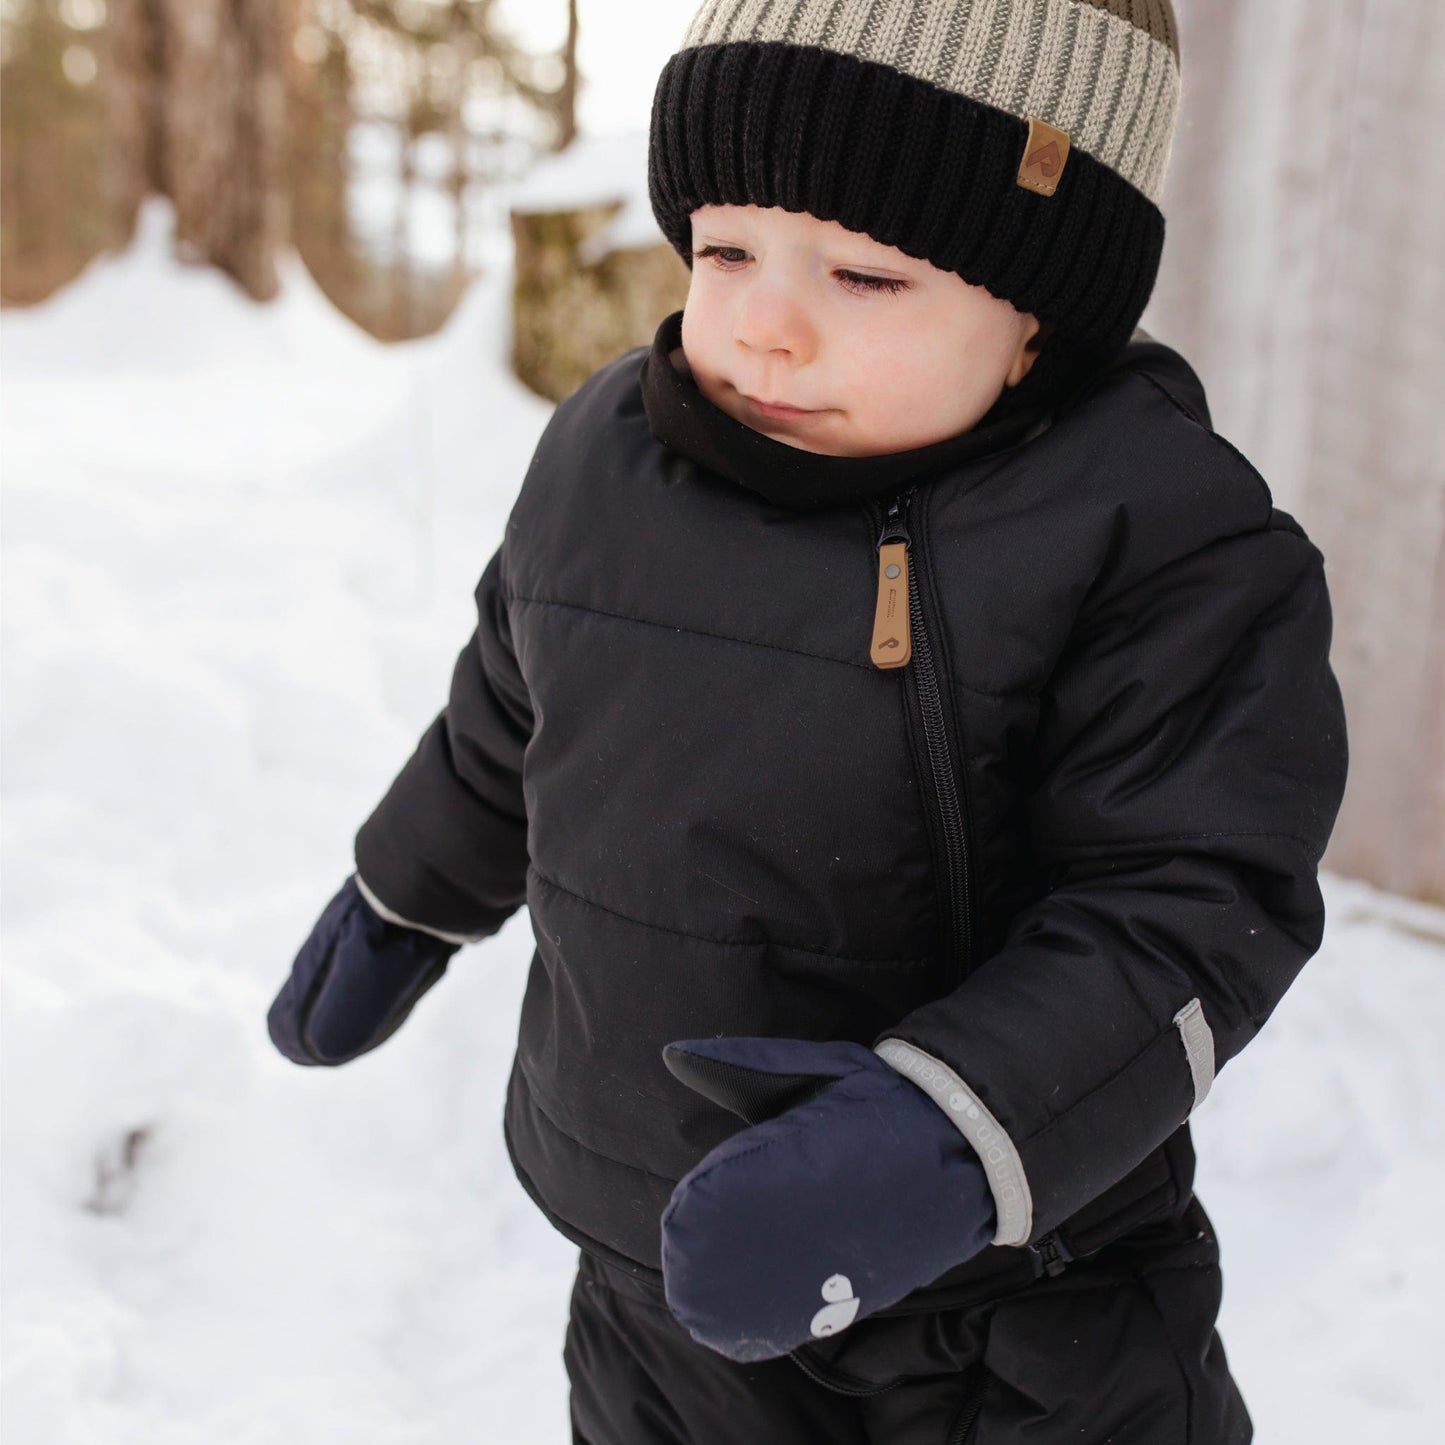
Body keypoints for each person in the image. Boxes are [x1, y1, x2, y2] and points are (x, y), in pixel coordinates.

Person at [267, 2, 1349, 1440]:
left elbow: (1189, 905)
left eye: (863, 273)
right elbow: (515, 704)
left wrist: (941, 1137)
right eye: (724, 249)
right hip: (655, 1283)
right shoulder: (607, 459)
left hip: (1006, 1313)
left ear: (1036, 314)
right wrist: (404, 891)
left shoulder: (1157, 540)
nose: (763, 322)